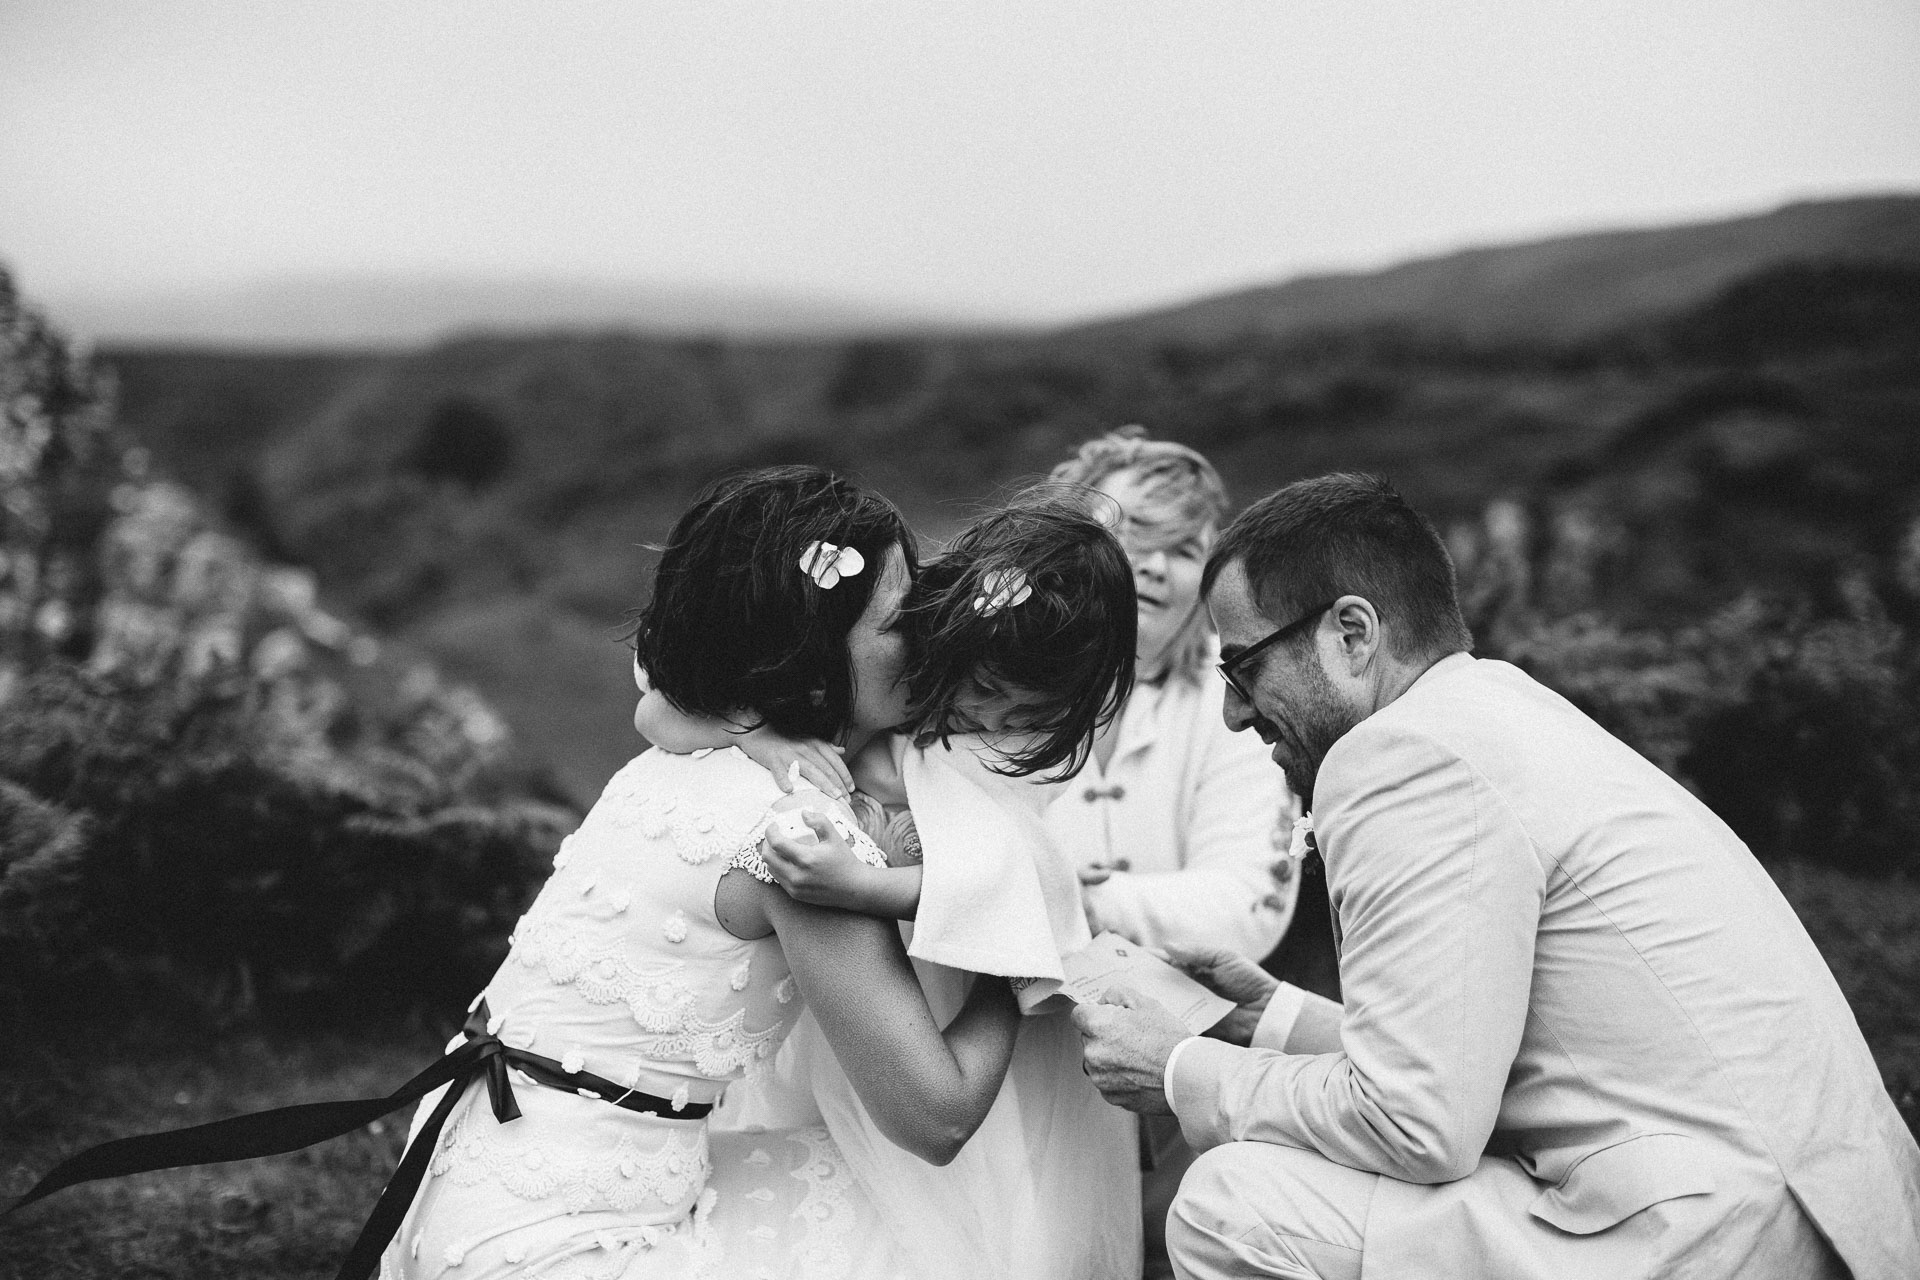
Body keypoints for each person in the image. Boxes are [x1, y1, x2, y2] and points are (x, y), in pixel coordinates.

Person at [1073, 472, 1920, 1280]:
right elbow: (1469, 1058)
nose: (1232, 712)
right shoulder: (1493, 713)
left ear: (1353, 634)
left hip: (1711, 1234)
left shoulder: (1403, 759)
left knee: (1233, 1208)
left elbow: (1416, 1123)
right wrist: (1270, 1017)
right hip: (1815, 1213)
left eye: (1244, 667)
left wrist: (1180, 1069)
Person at [636, 490, 1146, 1280]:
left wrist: (856, 887)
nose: (994, 721)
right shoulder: (890, 685)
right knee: (845, 1157)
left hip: (958, 982)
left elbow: (991, 883)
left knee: (989, 1207)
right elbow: (656, 713)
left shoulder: (1008, 760)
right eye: (985, 690)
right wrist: (763, 739)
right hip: (873, 985)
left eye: (1029, 713)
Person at [1046, 427, 1297, 1275]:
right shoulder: (997, 682)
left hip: (1184, 1077)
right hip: (1017, 1063)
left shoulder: (1231, 700)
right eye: (1134, 536)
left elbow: (1245, 908)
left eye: (1184, 550)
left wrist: (1081, 900)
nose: (1154, 567)